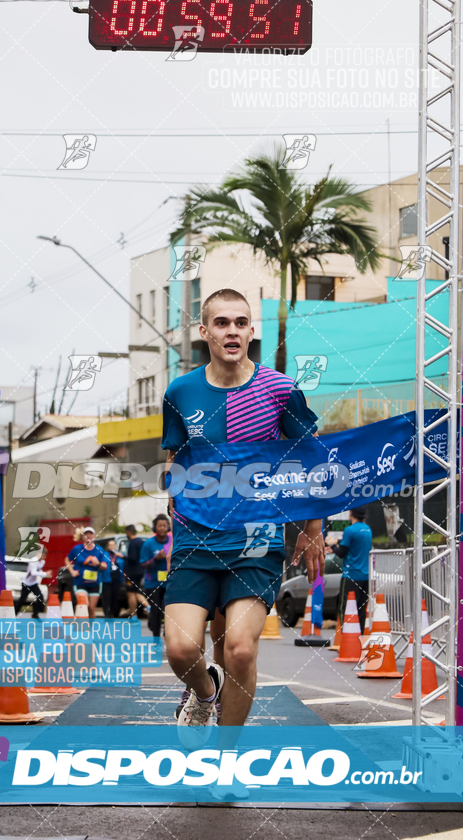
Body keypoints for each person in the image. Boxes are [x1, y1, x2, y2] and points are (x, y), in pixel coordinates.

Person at [162, 288, 324, 731]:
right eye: (221, 323)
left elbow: (312, 460)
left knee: (239, 647)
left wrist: (313, 529)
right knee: (179, 649)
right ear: (204, 332)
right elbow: (176, 458)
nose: (231, 331)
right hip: (195, 534)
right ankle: (204, 691)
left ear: (252, 332)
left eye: (240, 323)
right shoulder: (181, 391)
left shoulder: (280, 390)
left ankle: (226, 759)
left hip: (256, 534)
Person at [333, 507, 372, 631]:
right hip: (365, 575)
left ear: (351, 514)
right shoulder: (368, 530)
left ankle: (347, 637)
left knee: (345, 608)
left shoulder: (349, 530)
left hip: (351, 575)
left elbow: (341, 553)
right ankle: (358, 639)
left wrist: (332, 545)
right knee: (361, 609)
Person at [65, 526, 107, 618]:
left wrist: (98, 563)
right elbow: (67, 560)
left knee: (91, 609)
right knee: (84, 605)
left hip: (95, 583)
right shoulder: (77, 549)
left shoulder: (99, 549)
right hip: (80, 582)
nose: (88, 535)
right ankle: (81, 628)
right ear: (82, 536)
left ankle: (91, 630)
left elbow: (105, 566)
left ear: (94, 536)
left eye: (90, 533)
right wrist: (72, 571)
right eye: (86, 534)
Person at [140, 515, 171, 638]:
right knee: (156, 611)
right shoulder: (148, 544)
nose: (163, 528)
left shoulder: (172, 541)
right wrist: (156, 559)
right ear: (155, 527)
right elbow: (143, 564)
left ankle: (168, 634)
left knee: (169, 611)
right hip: (153, 583)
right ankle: (156, 638)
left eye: (165, 525)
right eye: (160, 525)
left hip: (169, 582)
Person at [14, 547, 49, 619]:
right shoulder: (34, 560)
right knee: (22, 600)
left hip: (33, 583)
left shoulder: (42, 562)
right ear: (38, 554)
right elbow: (33, 572)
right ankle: (14, 613)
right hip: (26, 583)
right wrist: (45, 574)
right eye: (43, 555)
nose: (44, 557)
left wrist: (44, 574)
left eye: (45, 556)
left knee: (40, 597)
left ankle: (35, 614)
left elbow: (39, 570)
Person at [124, 524, 149, 618]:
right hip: (141, 571)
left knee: (131, 594)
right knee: (138, 592)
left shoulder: (133, 543)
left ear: (128, 532)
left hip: (132, 572)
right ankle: (149, 608)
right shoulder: (141, 541)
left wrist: (123, 556)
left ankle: (134, 616)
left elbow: (133, 558)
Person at [101, 538, 124, 618]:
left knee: (116, 597)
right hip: (107, 579)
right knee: (107, 597)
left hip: (117, 579)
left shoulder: (120, 555)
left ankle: (114, 613)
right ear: (107, 547)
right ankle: (107, 613)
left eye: (113, 545)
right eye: (110, 545)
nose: (112, 547)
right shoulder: (104, 555)